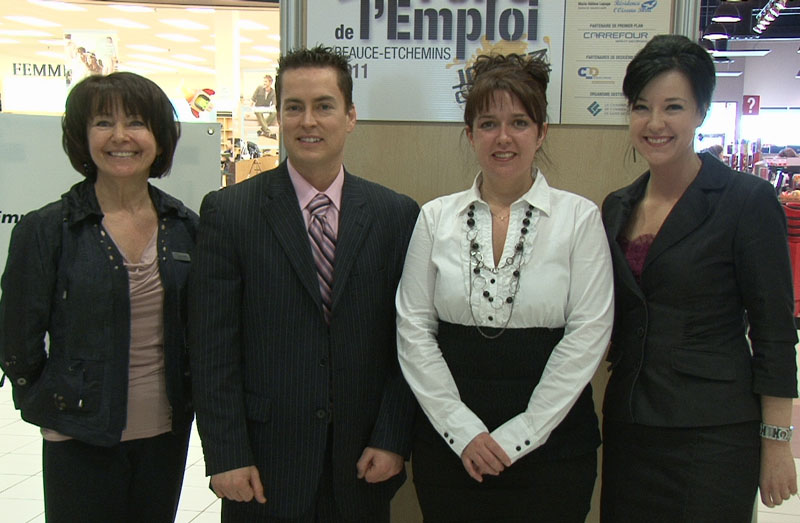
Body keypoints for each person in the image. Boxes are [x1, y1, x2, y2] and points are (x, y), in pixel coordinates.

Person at [189, 45, 419, 522]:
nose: (308, 121)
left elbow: (409, 341)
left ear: (350, 116)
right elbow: (212, 348)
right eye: (294, 107)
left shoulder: (395, 215)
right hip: (262, 467)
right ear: (278, 115)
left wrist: (392, 438)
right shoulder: (229, 213)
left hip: (362, 463)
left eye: (324, 106)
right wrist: (227, 453)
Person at [396, 53, 614, 522]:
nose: (503, 137)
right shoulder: (435, 218)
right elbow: (413, 329)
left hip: (554, 446)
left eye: (519, 121)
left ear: (542, 131)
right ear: (470, 133)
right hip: (451, 446)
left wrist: (520, 435)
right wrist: (464, 432)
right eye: (488, 122)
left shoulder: (579, 218)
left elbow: (588, 335)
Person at [601, 34, 798, 522]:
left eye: (673, 107)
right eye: (641, 107)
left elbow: (774, 331)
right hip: (630, 427)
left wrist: (777, 444)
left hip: (713, 434)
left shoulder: (745, 201)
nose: (655, 123)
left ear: (701, 112)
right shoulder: (617, 207)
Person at [0, 72, 197, 522]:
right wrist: (49, 405)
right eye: (103, 122)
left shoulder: (186, 226)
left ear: (160, 138)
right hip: (78, 434)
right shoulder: (47, 229)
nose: (121, 137)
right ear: (82, 137)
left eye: (137, 123)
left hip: (165, 433)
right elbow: (17, 340)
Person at [252, 74, 277, 139]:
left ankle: (262, 130)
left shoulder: (273, 92)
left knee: (274, 113)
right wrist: (249, 110)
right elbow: (253, 99)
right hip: (258, 108)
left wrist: (273, 107)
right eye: (264, 81)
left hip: (266, 108)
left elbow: (274, 103)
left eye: (266, 81)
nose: (264, 83)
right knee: (258, 112)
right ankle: (268, 133)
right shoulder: (259, 88)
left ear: (270, 82)